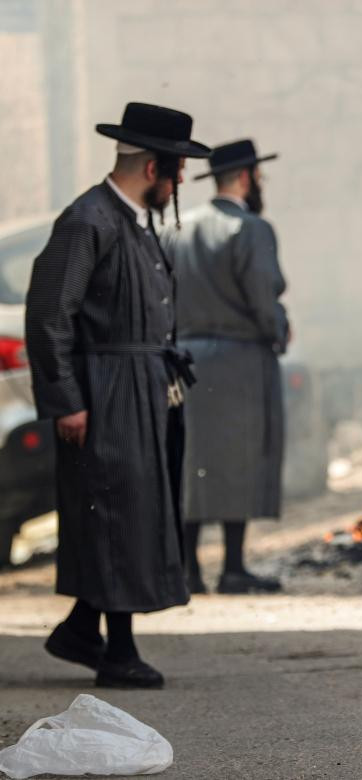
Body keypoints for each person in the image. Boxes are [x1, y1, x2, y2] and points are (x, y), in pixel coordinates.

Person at [25, 102, 210, 688]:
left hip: (144, 390)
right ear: (153, 167)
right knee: (115, 512)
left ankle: (84, 628)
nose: (181, 180)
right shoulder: (89, 220)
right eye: (177, 169)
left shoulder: (131, 220)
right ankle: (117, 651)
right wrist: (67, 400)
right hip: (105, 393)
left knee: (133, 510)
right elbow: (49, 316)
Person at [161, 139, 287, 595]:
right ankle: (232, 567)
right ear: (247, 176)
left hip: (187, 361)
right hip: (240, 359)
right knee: (241, 459)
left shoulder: (177, 228)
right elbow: (262, 296)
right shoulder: (250, 228)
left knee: (194, 460)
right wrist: (278, 331)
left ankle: (188, 568)